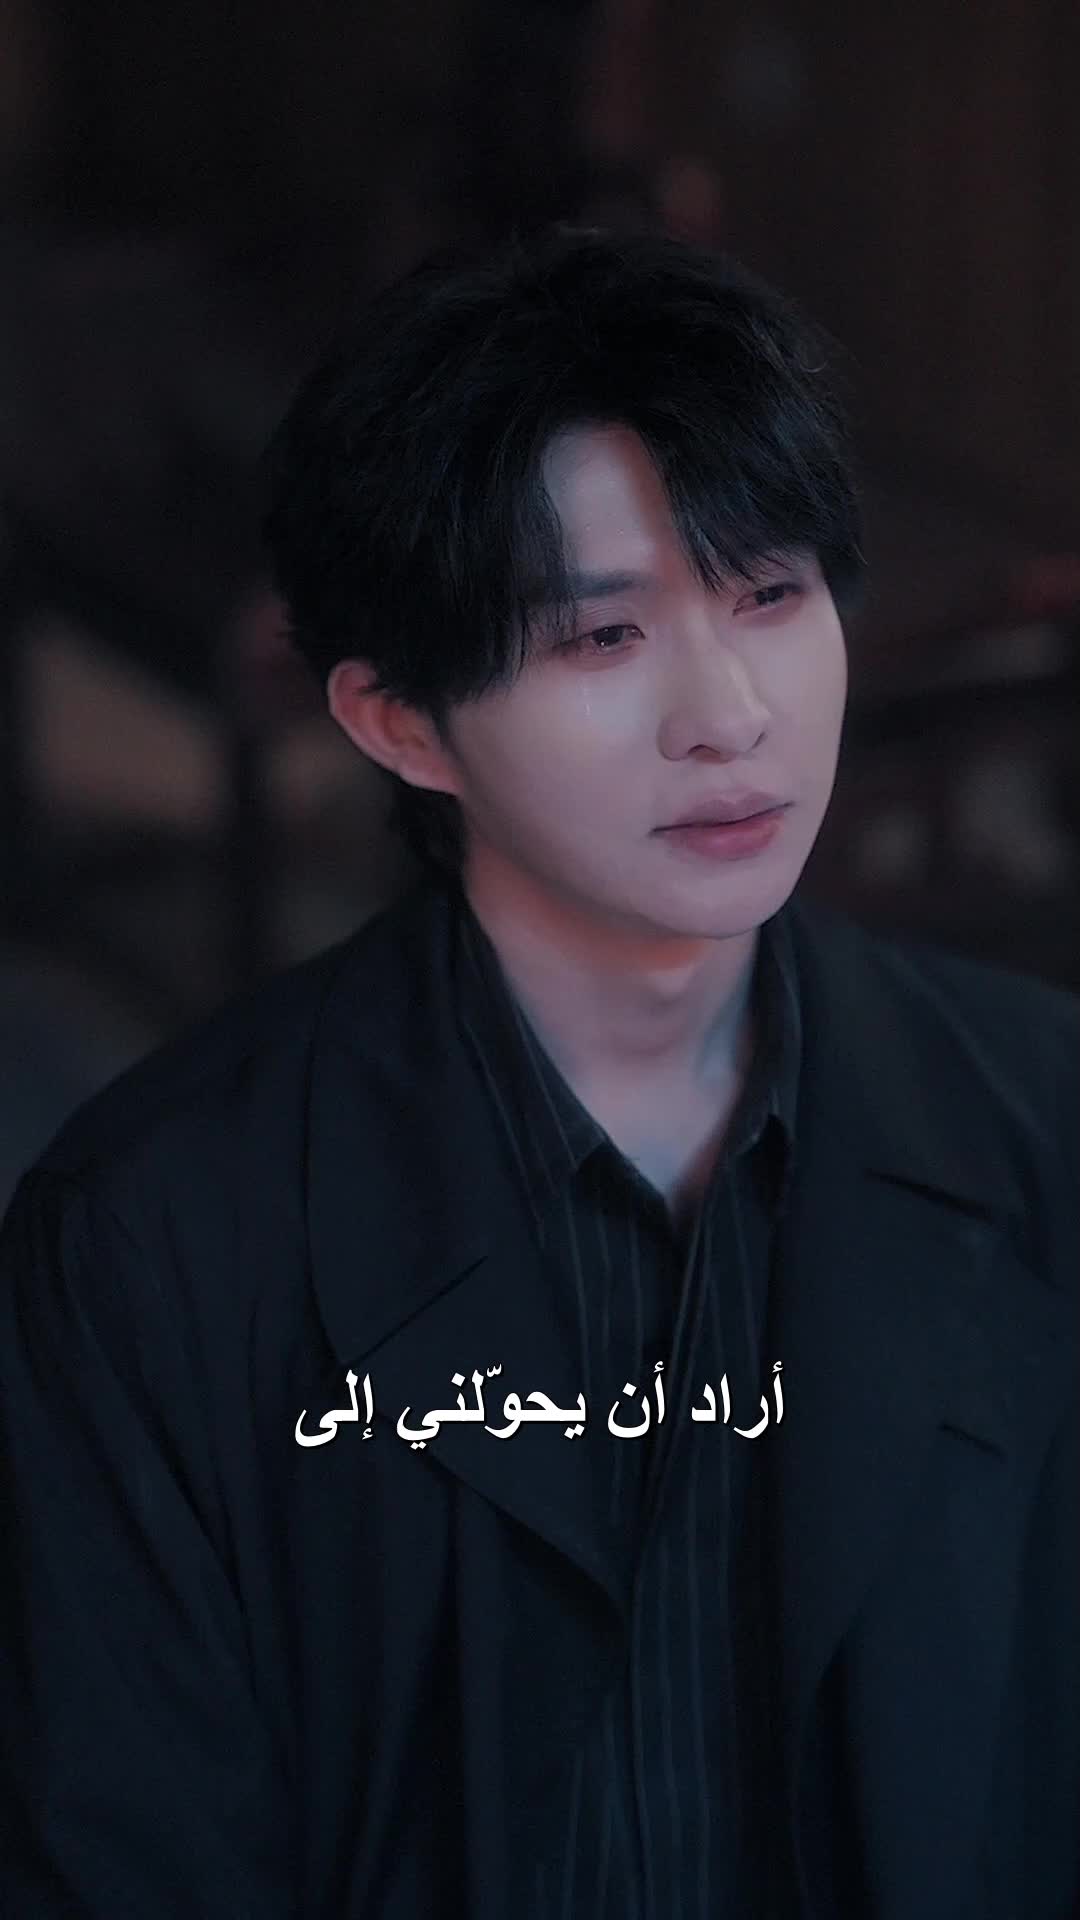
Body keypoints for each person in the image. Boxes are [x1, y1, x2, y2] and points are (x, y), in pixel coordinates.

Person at [1, 225, 1077, 1920]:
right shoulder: (153, 1244)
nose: (729, 714)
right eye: (603, 637)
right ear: (397, 720)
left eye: (770, 595)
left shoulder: (1045, 1124)